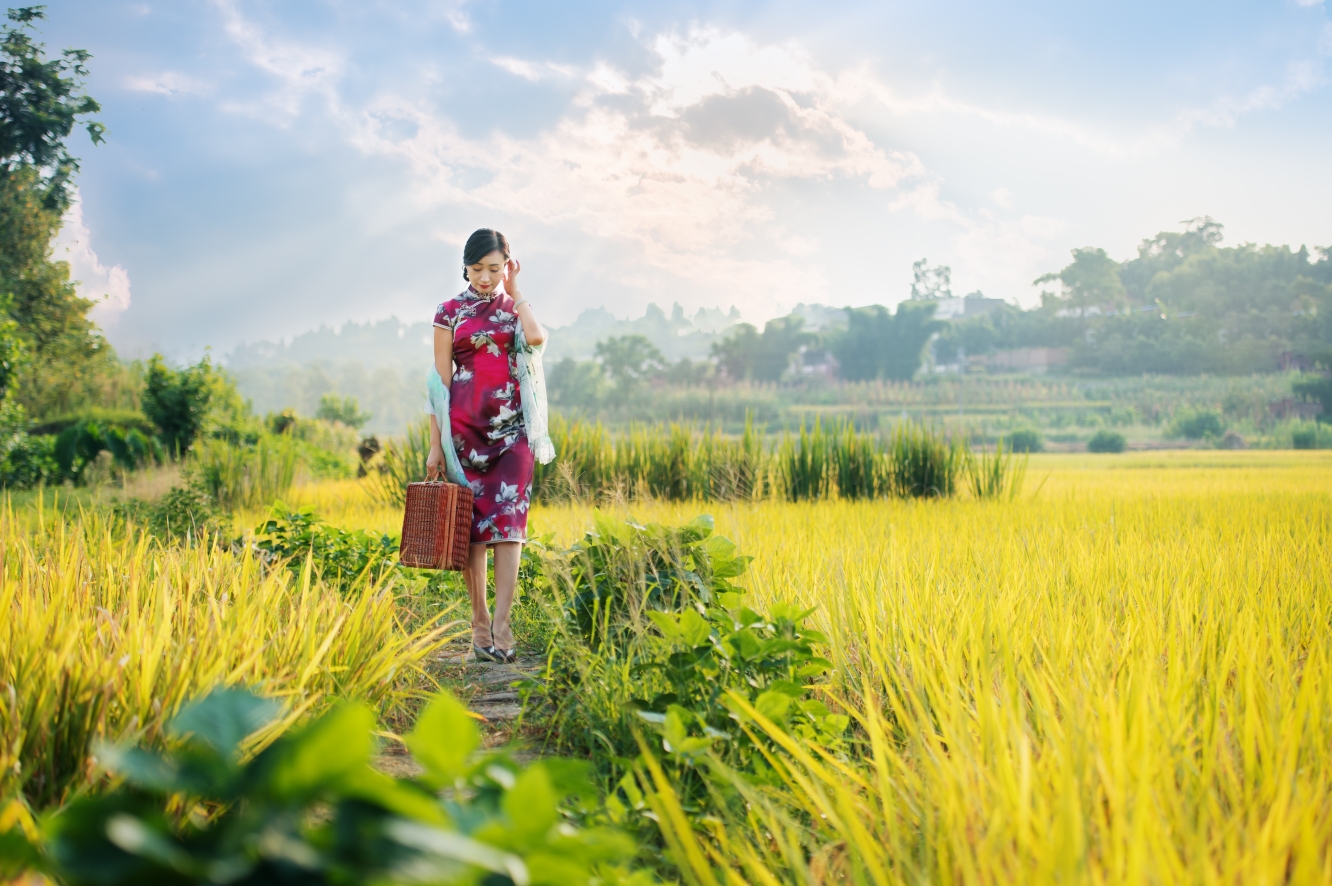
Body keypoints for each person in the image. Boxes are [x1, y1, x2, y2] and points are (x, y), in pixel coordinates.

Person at [426, 228, 548, 664]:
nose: (484, 277)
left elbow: (535, 340)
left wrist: (516, 291)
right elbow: (439, 384)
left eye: (494, 269)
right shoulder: (448, 312)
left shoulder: (515, 308)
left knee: (510, 527)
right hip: (463, 433)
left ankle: (502, 624)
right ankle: (479, 626)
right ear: (465, 265)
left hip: (514, 432)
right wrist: (436, 446)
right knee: (473, 530)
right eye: (477, 269)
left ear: (507, 266)